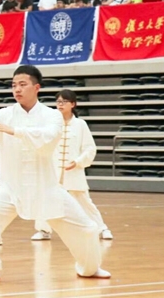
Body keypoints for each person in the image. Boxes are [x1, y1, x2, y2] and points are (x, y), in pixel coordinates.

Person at [0, 66, 110, 283]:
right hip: (10, 188)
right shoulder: (4, 114)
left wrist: (15, 131)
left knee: (87, 228)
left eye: (22, 84)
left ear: (37, 87)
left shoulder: (52, 115)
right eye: (13, 85)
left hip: (47, 189)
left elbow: (49, 137)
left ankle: (89, 268)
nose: (16, 89)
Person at [30, 90, 114, 241]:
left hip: (74, 170)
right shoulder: (50, 123)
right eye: (58, 102)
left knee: (84, 201)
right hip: (53, 170)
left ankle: (102, 229)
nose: (60, 105)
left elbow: (90, 148)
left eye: (64, 102)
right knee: (46, 198)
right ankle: (44, 230)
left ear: (73, 104)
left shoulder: (80, 125)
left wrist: (78, 161)